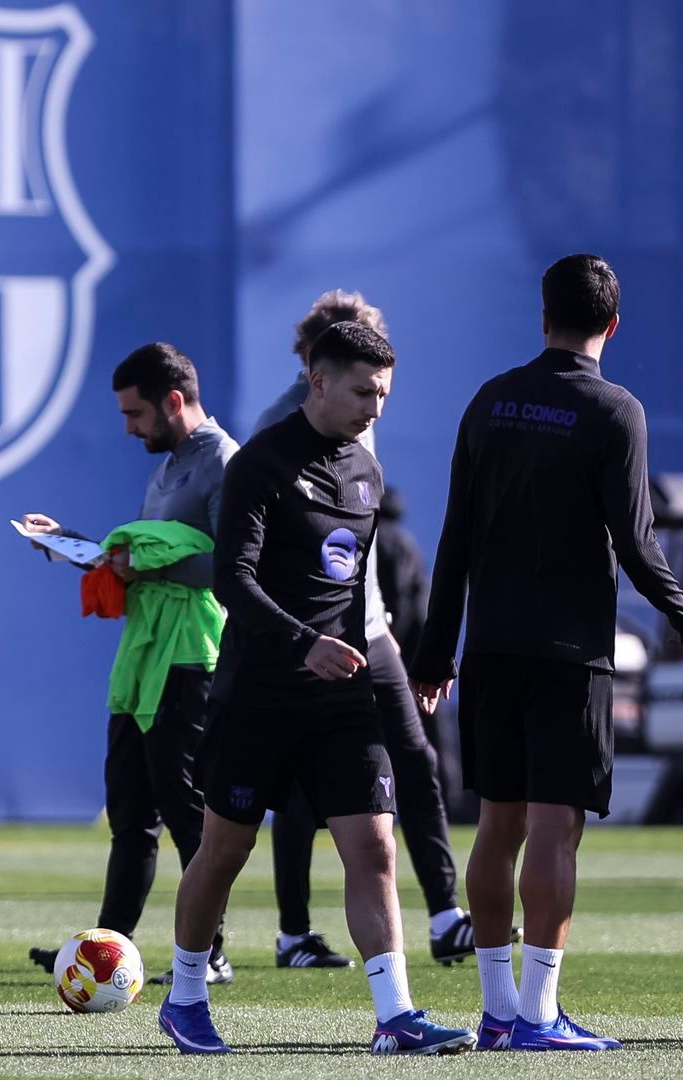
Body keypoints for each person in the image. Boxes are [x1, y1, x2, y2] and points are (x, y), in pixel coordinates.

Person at [411, 254, 683, 1052]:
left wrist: (436, 653)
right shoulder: (616, 410)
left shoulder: (490, 401)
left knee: (497, 826)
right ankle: (540, 1015)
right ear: (613, 325)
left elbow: (455, 540)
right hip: (570, 653)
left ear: (541, 314)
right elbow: (638, 540)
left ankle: (498, 1009)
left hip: (490, 653)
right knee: (556, 826)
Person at [158, 322, 472, 1056]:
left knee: (374, 848)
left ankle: (395, 1016)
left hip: (341, 698)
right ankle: (184, 997)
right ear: (318, 379)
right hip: (257, 693)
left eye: (386, 393)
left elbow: (352, 590)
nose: (376, 407)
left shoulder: (366, 470)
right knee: (224, 853)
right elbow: (233, 580)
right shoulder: (260, 463)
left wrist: (395, 667)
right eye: (364, 391)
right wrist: (305, 644)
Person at [250, 290, 476, 970]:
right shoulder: (276, 431)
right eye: (361, 377)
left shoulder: (361, 418)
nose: (375, 396)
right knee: (296, 789)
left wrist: (379, 617)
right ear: (318, 367)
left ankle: (444, 914)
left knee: (417, 759)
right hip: (307, 633)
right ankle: (293, 932)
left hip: (369, 628)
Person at [19, 343, 236, 986]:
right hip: (143, 654)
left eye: (136, 414)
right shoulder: (168, 465)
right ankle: (103, 947)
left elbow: (232, 565)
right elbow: (138, 560)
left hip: (191, 654)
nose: (128, 428)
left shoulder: (225, 461)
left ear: (174, 401)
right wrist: (72, 545)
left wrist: (144, 562)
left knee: (184, 806)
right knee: (131, 813)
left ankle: (211, 951)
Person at [373, 488, 429, 657]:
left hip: (403, 628)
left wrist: (393, 635)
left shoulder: (380, 538)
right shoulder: (405, 541)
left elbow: (399, 591)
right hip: (419, 624)